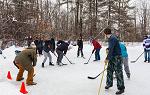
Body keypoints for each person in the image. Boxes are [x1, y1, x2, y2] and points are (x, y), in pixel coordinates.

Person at [104, 28, 125, 94]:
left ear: (105, 34)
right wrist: (108, 49)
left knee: (118, 72)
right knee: (109, 70)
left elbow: (112, 49)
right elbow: (111, 47)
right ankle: (109, 84)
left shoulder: (113, 38)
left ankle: (121, 88)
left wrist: (107, 58)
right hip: (112, 57)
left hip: (117, 57)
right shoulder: (110, 38)